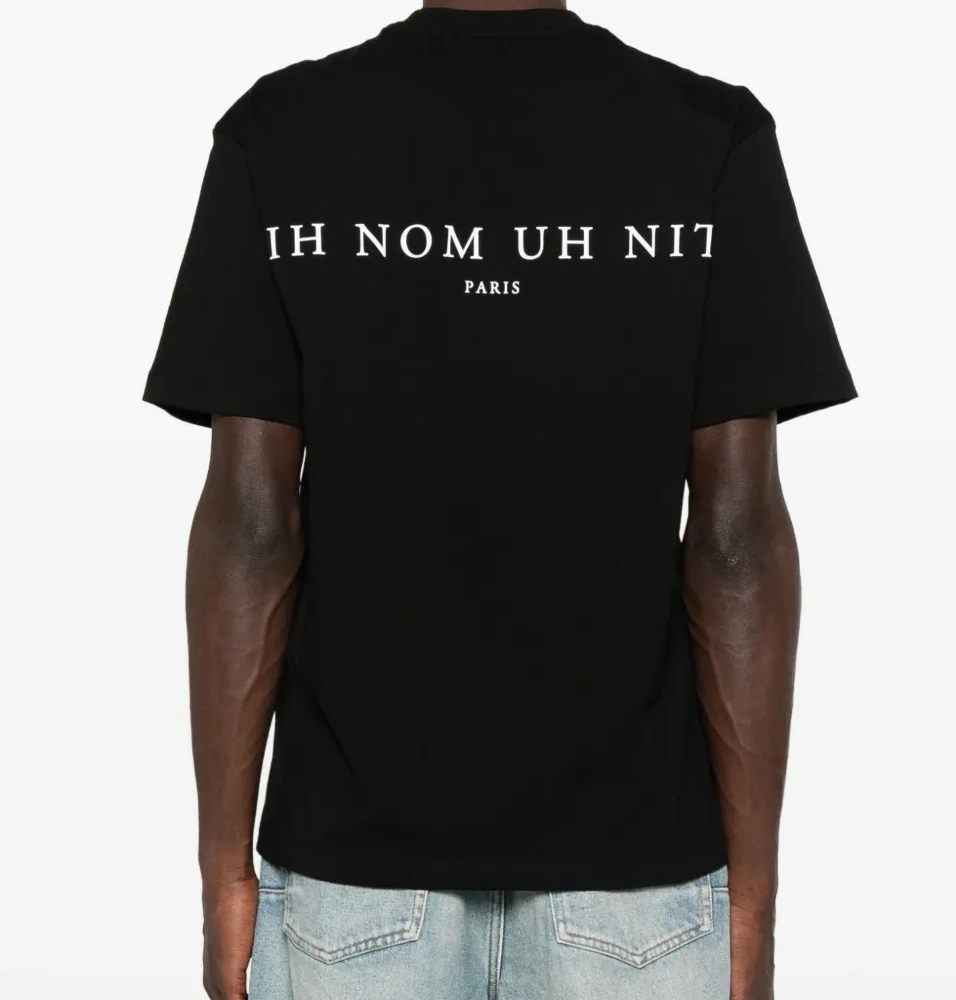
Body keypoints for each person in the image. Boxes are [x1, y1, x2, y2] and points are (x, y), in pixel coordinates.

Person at [143, 2, 856, 998]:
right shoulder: (707, 139)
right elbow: (734, 544)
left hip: (353, 870)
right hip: (637, 877)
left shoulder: (282, 132)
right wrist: (754, 899)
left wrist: (224, 869)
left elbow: (253, 531)